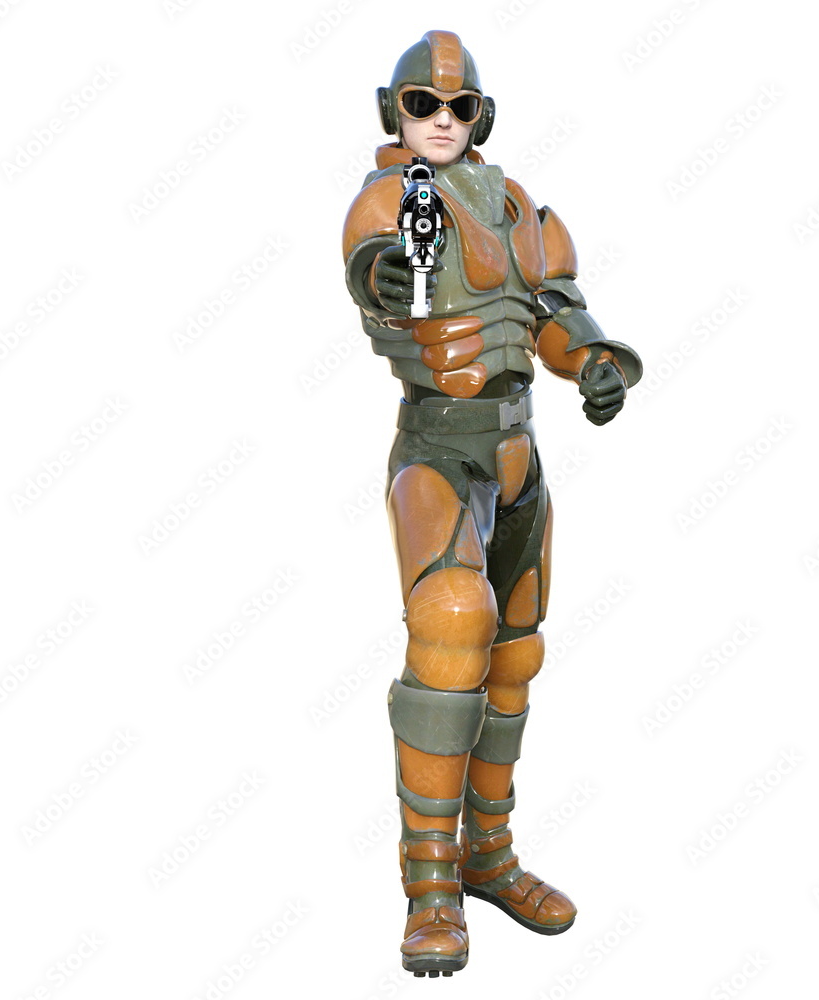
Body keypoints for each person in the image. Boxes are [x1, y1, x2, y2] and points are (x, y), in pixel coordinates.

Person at [341, 30, 641, 977]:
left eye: (458, 106)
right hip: (438, 448)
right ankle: (430, 884)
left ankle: (489, 856)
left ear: (482, 116)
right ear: (393, 112)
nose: (440, 120)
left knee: (512, 655)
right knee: (450, 623)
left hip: (519, 456)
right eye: (422, 105)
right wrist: (384, 275)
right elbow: (371, 267)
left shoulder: (518, 208)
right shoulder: (390, 200)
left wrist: (592, 362)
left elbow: (553, 307)